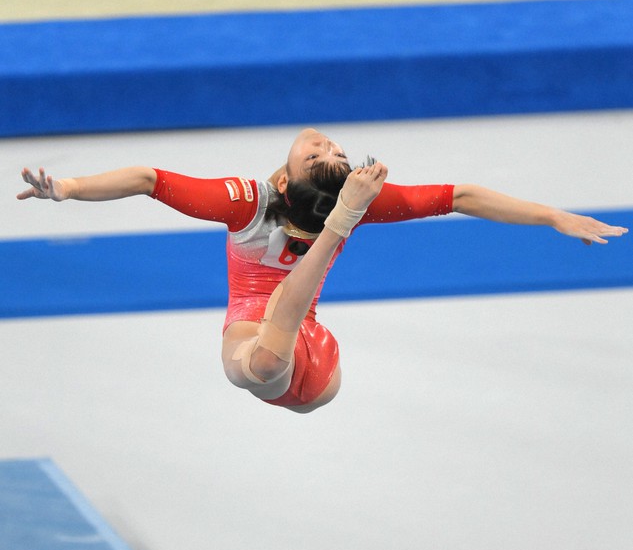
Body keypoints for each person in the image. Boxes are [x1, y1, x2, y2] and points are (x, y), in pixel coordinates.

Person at [17, 127, 628, 414]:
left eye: (323, 154)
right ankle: (278, 346)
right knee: (277, 327)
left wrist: (67, 188)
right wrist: (551, 215)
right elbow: (461, 196)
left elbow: (148, 180)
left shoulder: (247, 200)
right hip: (312, 356)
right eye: (330, 152)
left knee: (264, 347)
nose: (324, 143)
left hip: (277, 354)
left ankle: (273, 353)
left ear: (284, 183)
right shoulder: (354, 202)